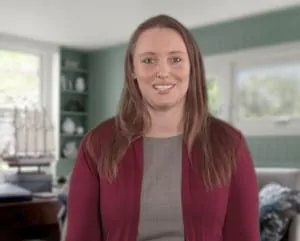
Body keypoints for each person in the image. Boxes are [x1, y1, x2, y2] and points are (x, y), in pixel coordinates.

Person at [65, 14, 260, 241]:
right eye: (149, 60)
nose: (163, 71)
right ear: (132, 70)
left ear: (192, 67)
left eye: (175, 59)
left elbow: (244, 236)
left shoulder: (229, 143)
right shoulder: (97, 144)